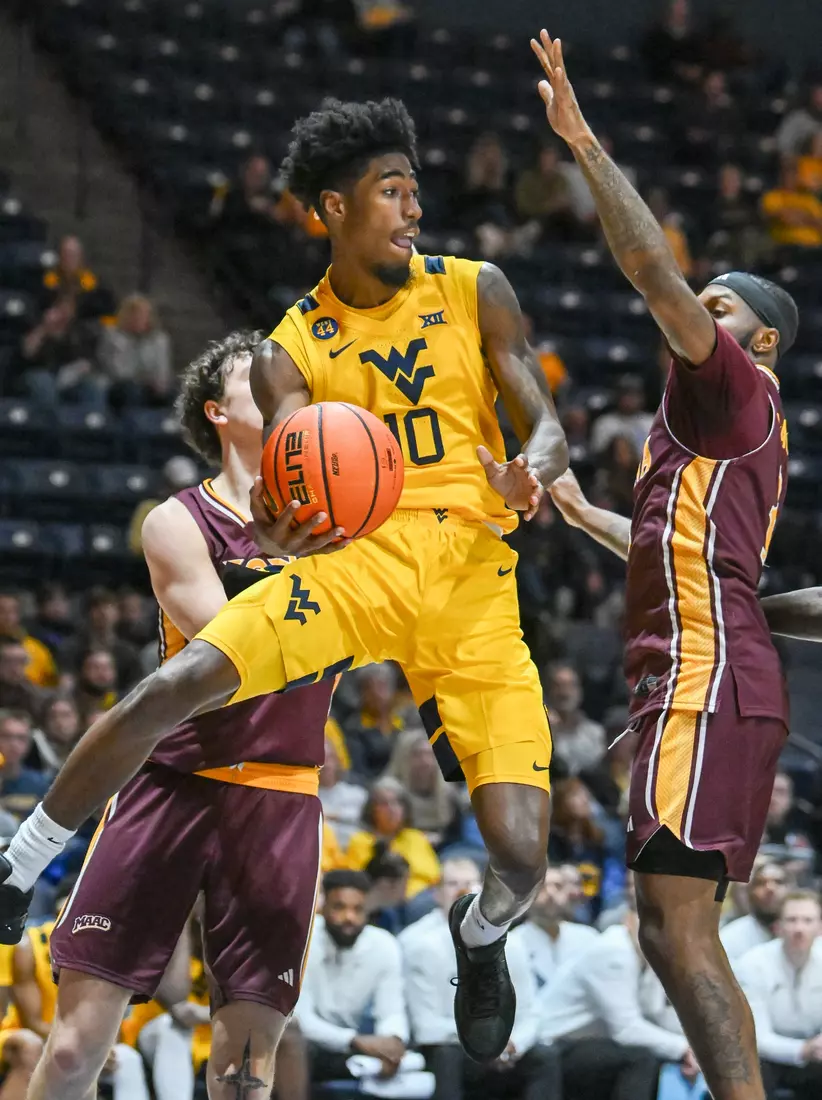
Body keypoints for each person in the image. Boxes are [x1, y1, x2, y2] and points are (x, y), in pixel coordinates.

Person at [0, 97, 568, 1066]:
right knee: (169, 685)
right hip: (360, 566)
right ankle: (19, 866)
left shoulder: (478, 287)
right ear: (330, 208)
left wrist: (536, 463)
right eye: (391, 191)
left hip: (474, 583)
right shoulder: (286, 347)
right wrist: (280, 518)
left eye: (415, 189)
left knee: (521, 855)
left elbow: (544, 416)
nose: (412, 207)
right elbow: (295, 477)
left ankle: (480, 935)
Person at [532, 29, 798, 1100]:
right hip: (685, 672)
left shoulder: (734, 388)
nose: (703, 318)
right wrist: (581, 509)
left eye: (722, 309)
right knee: (670, 926)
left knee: (675, 925)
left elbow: (649, 266)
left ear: (759, 342)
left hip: (705, 672)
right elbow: (666, 545)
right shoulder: (685, 434)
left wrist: (584, 140)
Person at [0, 331, 344, 1100]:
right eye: (260, 379)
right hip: (170, 784)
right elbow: (234, 656)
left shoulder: (344, 519)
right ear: (218, 411)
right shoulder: (178, 521)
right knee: (70, 1052)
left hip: (281, 797)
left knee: (243, 1076)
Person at [400, 856, 560, 1100]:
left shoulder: (514, 943)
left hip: (504, 1047)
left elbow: (531, 1012)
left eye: (471, 883)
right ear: (437, 893)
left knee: (544, 1056)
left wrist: (512, 1044)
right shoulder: (419, 945)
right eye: (453, 883)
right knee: (446, 1056)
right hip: (453, 1048)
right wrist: (488, 1041)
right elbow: (425, 1027)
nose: (463, 890)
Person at [1, 885, 149, 1100]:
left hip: (83, 1038)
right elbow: (31, 1021)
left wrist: (100, 1046)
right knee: (47, 1049)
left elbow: (110, 1016)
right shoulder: (29, 946)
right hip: (40, 1033)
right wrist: (80, 1045)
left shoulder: (105, 948)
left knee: (127, 1058)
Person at [539, 901, 696, 1100]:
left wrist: (695, 1045)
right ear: (628, 920)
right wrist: (683, 1048)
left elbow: (655, 1014)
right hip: (554, 1045)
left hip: (591, 1043)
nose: (657, 933)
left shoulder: (647, 956)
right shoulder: (614, 953)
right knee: (641, 1058)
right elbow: (626, 1030)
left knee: (656, 1053)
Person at [296, 870, 410, 1086]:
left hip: (354, 1050)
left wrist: (392, 1041)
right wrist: (353, 1040)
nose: (349, 917)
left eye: (358, 909)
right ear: (322, 906)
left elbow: (392, 1010)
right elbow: (301, 1020)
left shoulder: (384, 945)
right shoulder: (303, 943)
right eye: (339, 907)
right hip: (309, 1046)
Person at [735, 891, 822, 1100]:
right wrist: (803, 1050)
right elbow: (757, 1037)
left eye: (807, 921)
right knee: (747, 1065)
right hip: (767, 1059)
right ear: (778, 927)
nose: (799, 929)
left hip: (816, 1054)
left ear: (820, 926)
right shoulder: (753, 964)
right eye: (791, 920)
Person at [346, 777, 441, 899]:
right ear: (372, 809)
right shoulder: (359, 840)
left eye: (397, 803)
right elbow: (356, 884)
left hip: (420, 901)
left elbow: (434, 878)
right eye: (384, 803)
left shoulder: (415, 837)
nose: (392, 809)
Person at [513, 864, 599, 990]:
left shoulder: (589, 938)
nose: (551, 893)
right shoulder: (514, 943)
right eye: (541, 887)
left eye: (558, 886)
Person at [97, 294, 174, 407]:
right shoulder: (114, 336)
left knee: (175, 393)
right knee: (132, 390)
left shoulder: (159, 339)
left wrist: (159, 383)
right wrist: (143, 380)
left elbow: (162, 369)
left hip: (151, 385)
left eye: (144, 315)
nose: (140, 319)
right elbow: (117, 371)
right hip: (119, 385)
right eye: (135, 316)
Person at [544, 662, 606, 777]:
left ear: (580, 691)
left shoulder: (596, 733)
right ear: (548, 692)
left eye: (570, 685)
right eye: (558, 686)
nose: (564, 692)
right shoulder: (540, 732)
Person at [720, 860, 788, 963]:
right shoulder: (729, 938)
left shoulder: (808, 935)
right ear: (750, 893)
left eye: (778, 882)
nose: (770, 888)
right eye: (761, 883)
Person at [0, 712, 50, 824]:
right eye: (6, 736)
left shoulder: (40, 783)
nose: (13, 744)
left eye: (21, 738)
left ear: (28, 743)